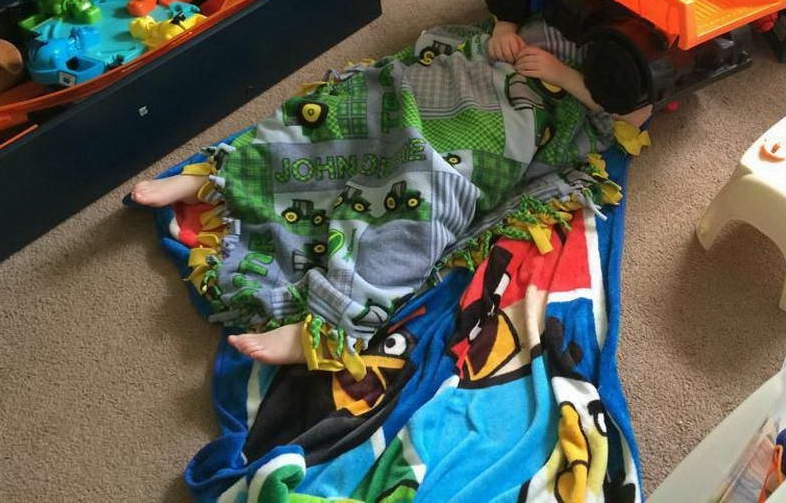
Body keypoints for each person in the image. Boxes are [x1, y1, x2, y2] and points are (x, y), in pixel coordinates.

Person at [131, 18, 651, 367]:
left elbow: (636, 110)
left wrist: (565, 77)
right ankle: (227, 178)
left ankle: (331, 321)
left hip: (519, 121)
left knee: (422, 196)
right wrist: (505, 29)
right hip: (472, 76)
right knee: (346, 110)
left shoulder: (650, 36)